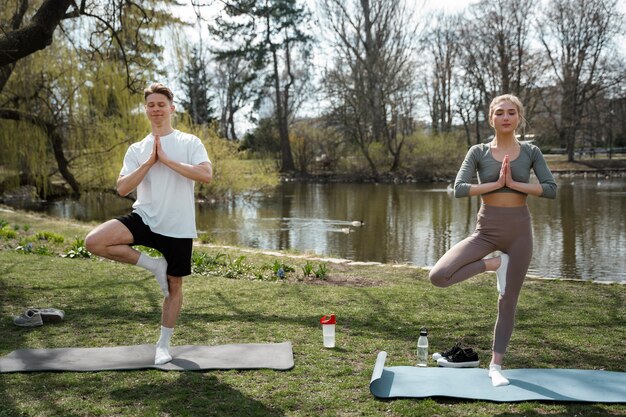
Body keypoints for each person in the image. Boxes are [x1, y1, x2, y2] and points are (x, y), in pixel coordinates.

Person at [428, 94, 557, 386]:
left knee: (507, 301)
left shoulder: (531, 151)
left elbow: (550, 189)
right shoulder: (479, 151)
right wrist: (496, 184)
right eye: (500, 113)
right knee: (439, 276)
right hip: (486, 230)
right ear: (491, 118)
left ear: (519, 118)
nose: (506, 117)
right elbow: (460, 188)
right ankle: (495, 264)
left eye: (512, 112)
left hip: (520, 232)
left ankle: (496, 365)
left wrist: (514, 185)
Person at [85, 83, 212, 365]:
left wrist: (166, 160)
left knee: (174, 285)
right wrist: (149, 162)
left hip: (178, 226)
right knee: (94, 241)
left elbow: (206, 175)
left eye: (161, 104)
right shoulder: (137, 148)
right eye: (151, 105)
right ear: (146, 110)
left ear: (171, 108)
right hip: (145, 217)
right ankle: (154, 265)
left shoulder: (189, 142)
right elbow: (121, 188)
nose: (156, 109)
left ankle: (163, 345)